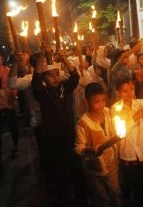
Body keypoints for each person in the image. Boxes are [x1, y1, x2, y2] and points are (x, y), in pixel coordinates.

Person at [31, 43, 86, 203]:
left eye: (57, 74)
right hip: (53, 137)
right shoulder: (42, 92)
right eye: (50, 75)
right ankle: (64, 197)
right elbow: (35, 82)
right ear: (44, 78)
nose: (55, 78)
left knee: (76, 168)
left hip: (69, 133)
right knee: (60, 170)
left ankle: (81, 198)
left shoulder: (65, 88)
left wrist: (65, 59)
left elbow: (75, 77)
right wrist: (43, 56)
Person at [112, 75, 143, 207]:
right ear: (118, 92)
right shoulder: (115, 109)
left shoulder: (140, 103)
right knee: (128, 185)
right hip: (128, 155)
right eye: (125, 91)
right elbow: (121, 131)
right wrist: (134, 118)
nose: (129, 93)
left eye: (131, 89)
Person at [74, 82, 121, 207]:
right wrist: (89, 150)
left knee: (115, 191)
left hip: (111, 162)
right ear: (86, 102)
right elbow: (78, 147)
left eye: (103, 100)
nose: (101, 104)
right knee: (100, 197)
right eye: (97, 102)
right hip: (94, 167)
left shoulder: (107, 112)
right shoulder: (83, 123)